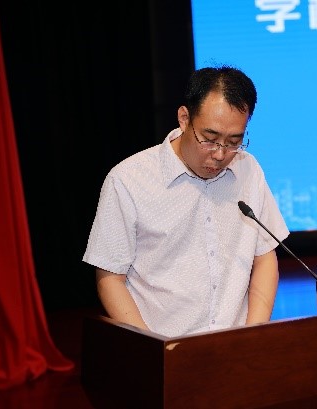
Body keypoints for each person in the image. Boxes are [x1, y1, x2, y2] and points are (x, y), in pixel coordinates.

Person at [82, 65, 289, 337]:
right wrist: (156, 349)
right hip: (164, 348)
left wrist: (253, 335)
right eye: (209, 139)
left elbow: (264, 257)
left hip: (235, 347)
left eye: (233, 142)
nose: (220, 154)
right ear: (184, 118)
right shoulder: (128, 180)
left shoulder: (248, 170)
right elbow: (110, 278)